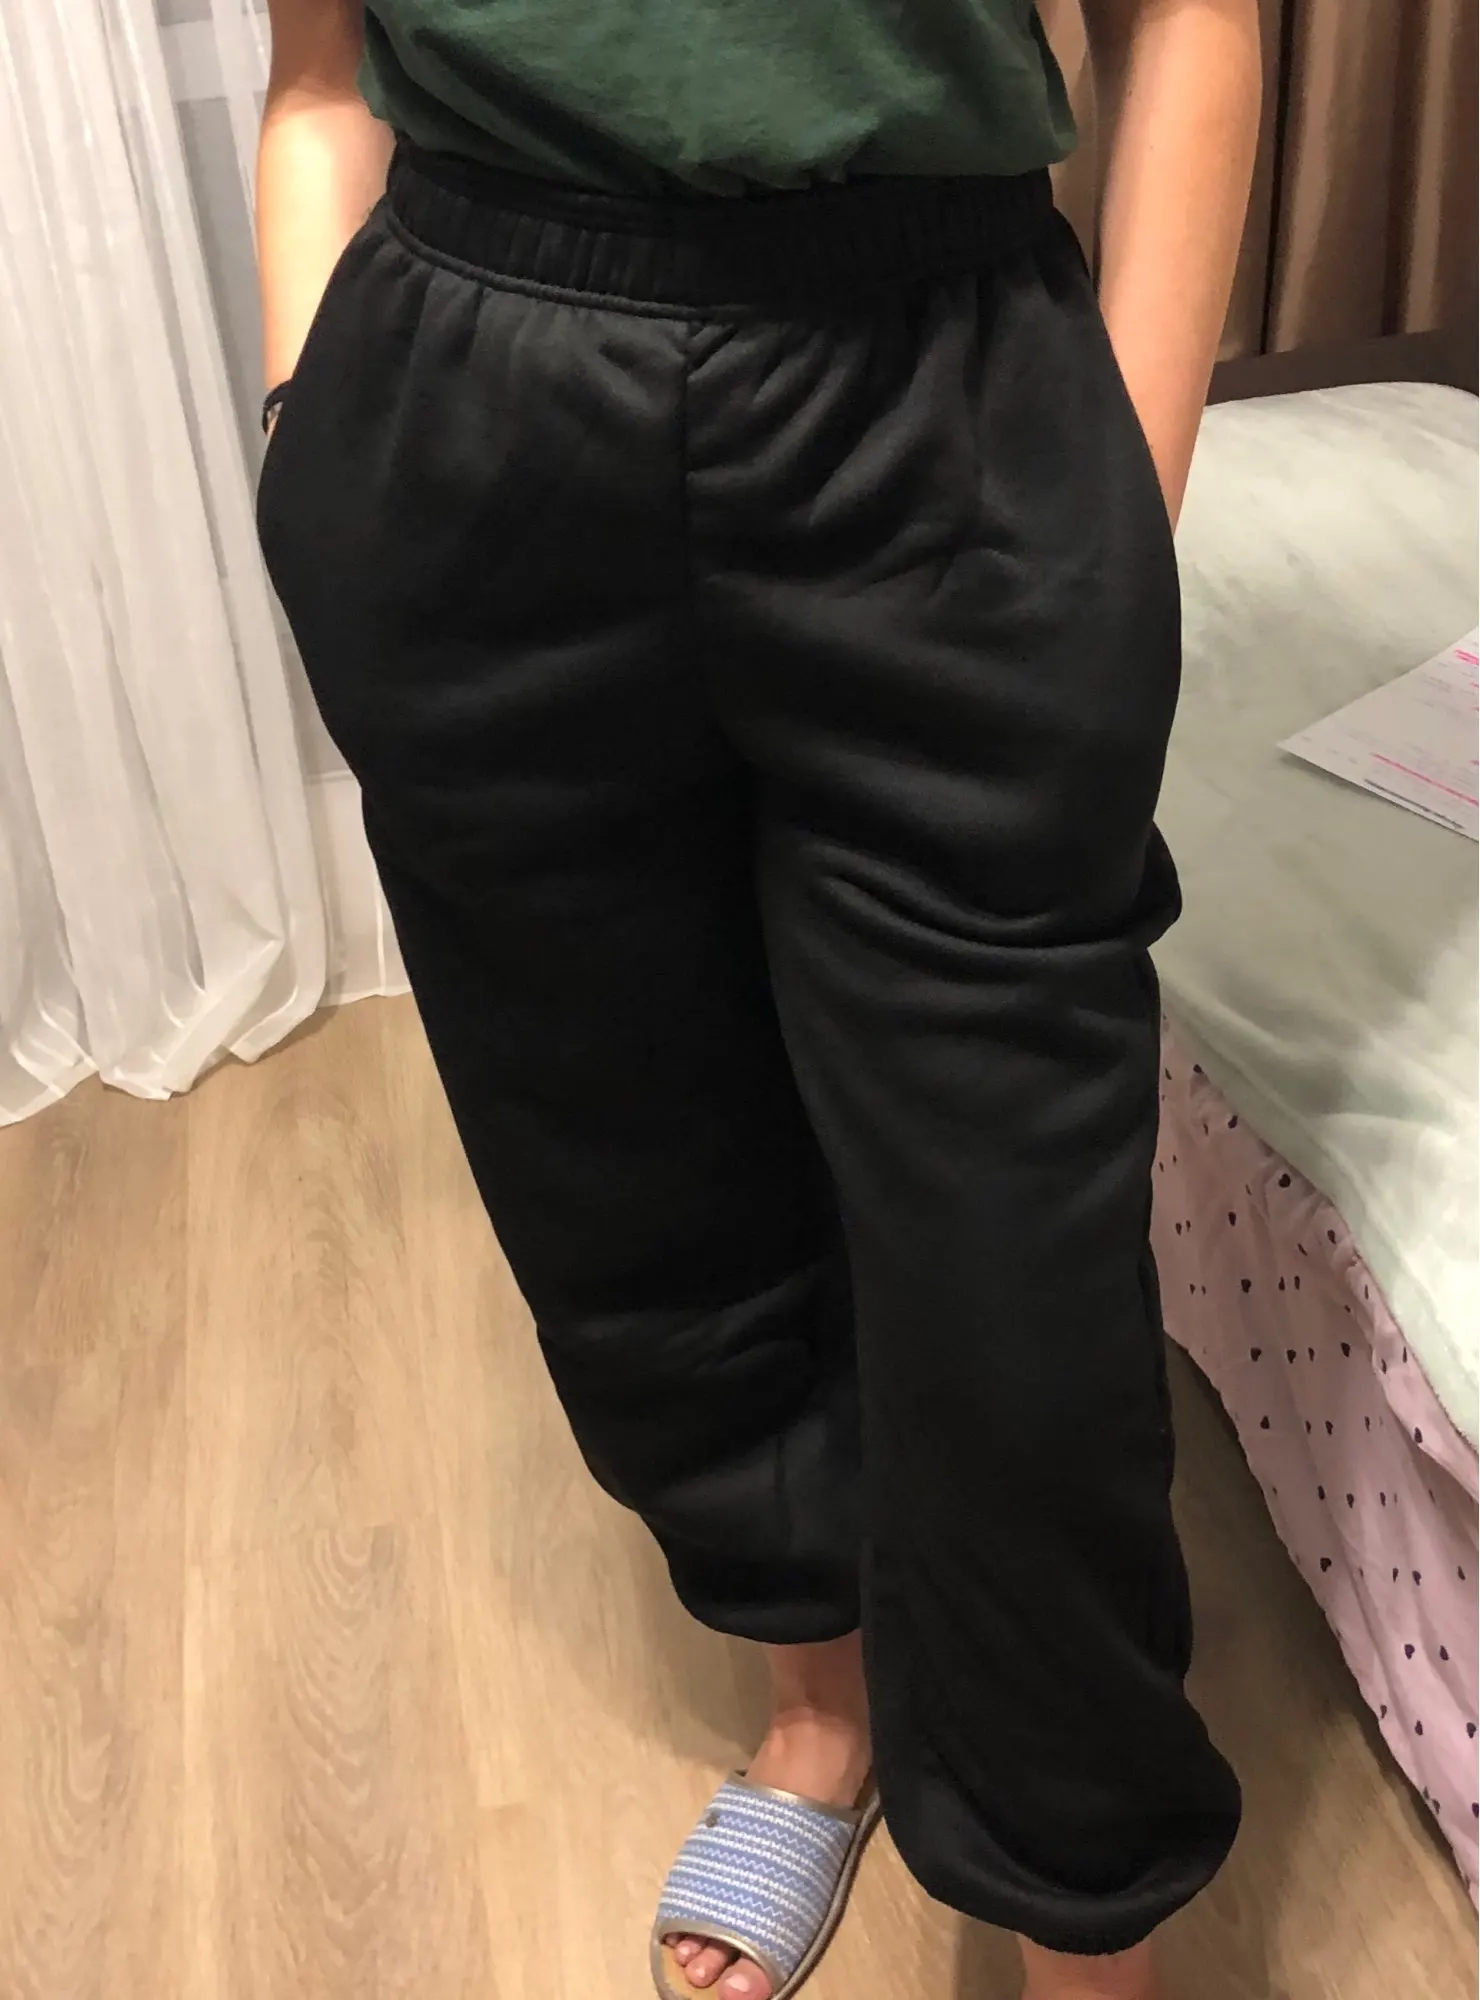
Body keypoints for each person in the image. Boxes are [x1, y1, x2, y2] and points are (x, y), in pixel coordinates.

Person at [254, 2, 1260, 1994]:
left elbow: (1188, 19)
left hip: (936, 383)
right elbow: (312, 76)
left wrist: (1113, 537)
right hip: (466, 403)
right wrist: (308, 429)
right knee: (631, 1189)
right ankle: (822, 1709)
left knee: (1017, 1275)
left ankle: (1082, 1923)